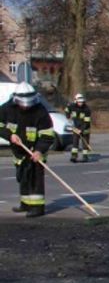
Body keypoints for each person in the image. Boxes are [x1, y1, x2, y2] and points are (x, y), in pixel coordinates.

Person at [0, 82, 56, 218]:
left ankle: (37, 207)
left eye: (28, 103)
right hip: (19, 151)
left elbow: (47, 135)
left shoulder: (40, 111)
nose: (25, 106)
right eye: (22, 103)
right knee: (23, 177)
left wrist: (39, 151)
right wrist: (9, 135)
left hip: (35, 150)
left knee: (35, 178)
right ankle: (25, 203)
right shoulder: (7, 108)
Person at [65, 92, 93, 162]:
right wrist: (68, 117)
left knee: (85, 143)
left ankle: (85, 157)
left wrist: (81, 130)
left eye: (82, 102)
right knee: (75, 143)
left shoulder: (87, 109)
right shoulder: (72, 106)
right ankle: (74, 156)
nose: (80, 103)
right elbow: (67, 110)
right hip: (75, 128)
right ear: (76, 101)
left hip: (85, 128)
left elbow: (87, 122)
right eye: (79, 102)